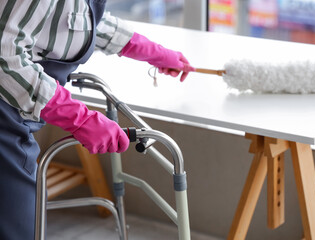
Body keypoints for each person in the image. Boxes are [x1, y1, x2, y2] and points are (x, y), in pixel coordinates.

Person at [0, 1, 195, 239]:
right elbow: (4, 56)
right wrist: (80, 119)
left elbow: (77, 21)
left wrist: (154, 52)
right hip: (4, 113)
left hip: (15, 111)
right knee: (14, 226)